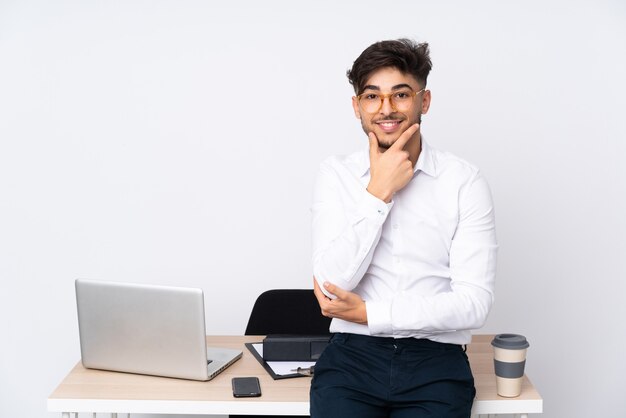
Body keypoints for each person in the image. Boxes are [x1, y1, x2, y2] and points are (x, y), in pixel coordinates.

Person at [310, 39, 498, 418]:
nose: (386, 109)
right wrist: (379, 191)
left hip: (436, 363)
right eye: (372, 96)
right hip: (351, 362)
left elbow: (474, 304)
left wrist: (370, 314)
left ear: (423, 101)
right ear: (356, 106)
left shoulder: (463, 181)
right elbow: (331, 286)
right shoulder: (336, 175)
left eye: (400, 95)